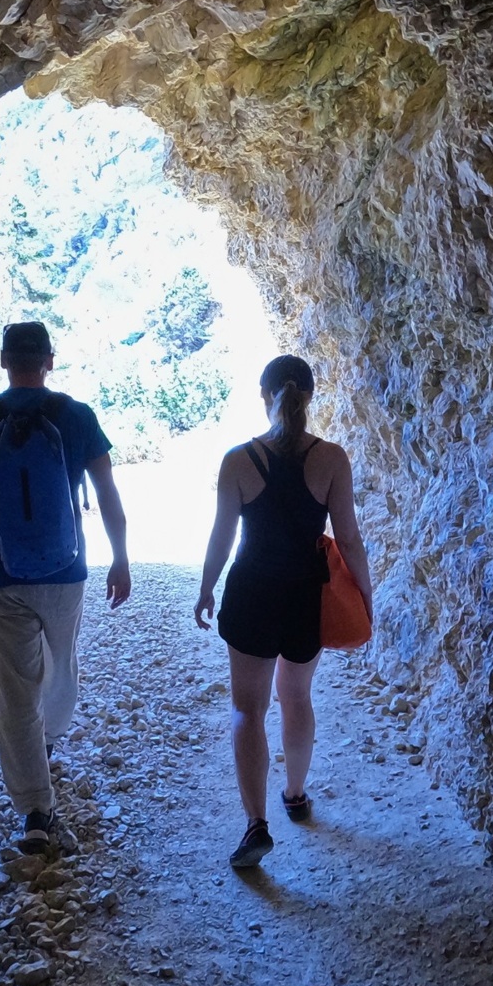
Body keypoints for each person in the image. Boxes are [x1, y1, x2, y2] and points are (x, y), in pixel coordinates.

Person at [0, 321, 131, 854]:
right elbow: (109, 495)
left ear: (5, 361)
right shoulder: (76, 417)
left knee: (14, 692)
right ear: (49, 361)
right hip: (65, 572)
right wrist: (121, 560)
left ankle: (35, 809)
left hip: (2, 575)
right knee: (63, 665)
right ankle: (47, 739)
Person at [194, 354, 373, 869]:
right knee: (296, 697)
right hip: (304, 596)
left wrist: (207, 589)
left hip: (251, 593)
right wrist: (365, 594)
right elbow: (350, 538)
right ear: (309, 397)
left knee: (248, 709)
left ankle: (256, 825)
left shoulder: (238, 460)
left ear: (263, 394)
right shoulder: (332, 458)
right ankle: (295, 793)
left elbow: (222, 537)